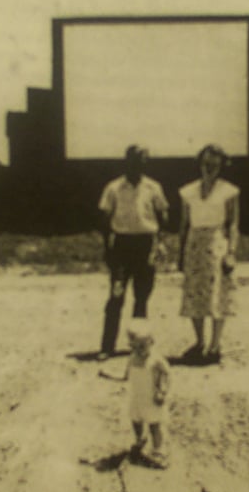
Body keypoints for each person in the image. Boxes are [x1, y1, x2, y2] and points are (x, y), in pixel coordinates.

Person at [97, 145, 169, 360]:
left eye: (143, 160)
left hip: (145, 245)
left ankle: (139, 345)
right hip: (121, 247)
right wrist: (108, 247)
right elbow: (104, 218)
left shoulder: (153, 187)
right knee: (116, 296)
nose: (138, 165)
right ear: (126, 161)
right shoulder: (113, 188)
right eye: (134, 160)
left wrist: (160, 242)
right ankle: (107, 346)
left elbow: (162, 215)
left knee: (142, 296)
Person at [178, 144, 240, 364]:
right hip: (194, 246)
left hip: (217, 244)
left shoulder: (229, 191)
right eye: (206, 163)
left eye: (214, 164)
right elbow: (183, 225)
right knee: (195, 294)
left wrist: (231, 252)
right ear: (200, 163)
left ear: (221, 165)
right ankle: (199, 342)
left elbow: (232, 224)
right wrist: (180, 254)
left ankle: (215, 345)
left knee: (217, 295)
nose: (209, 168)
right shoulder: (188, 192)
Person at [99, 318, 171, 469]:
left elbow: (166, 374)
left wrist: (162, 391)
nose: (139, 350)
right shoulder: (132, 358)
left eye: (143, 346)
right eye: (135, 347)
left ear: (152, 341)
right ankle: (139, 440)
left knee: (154, 425)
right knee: (136, 420)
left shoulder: (156, 360)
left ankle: (159, 450)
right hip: (137, 398)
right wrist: (109, 375)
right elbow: (125, 376)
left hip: (151, 398)